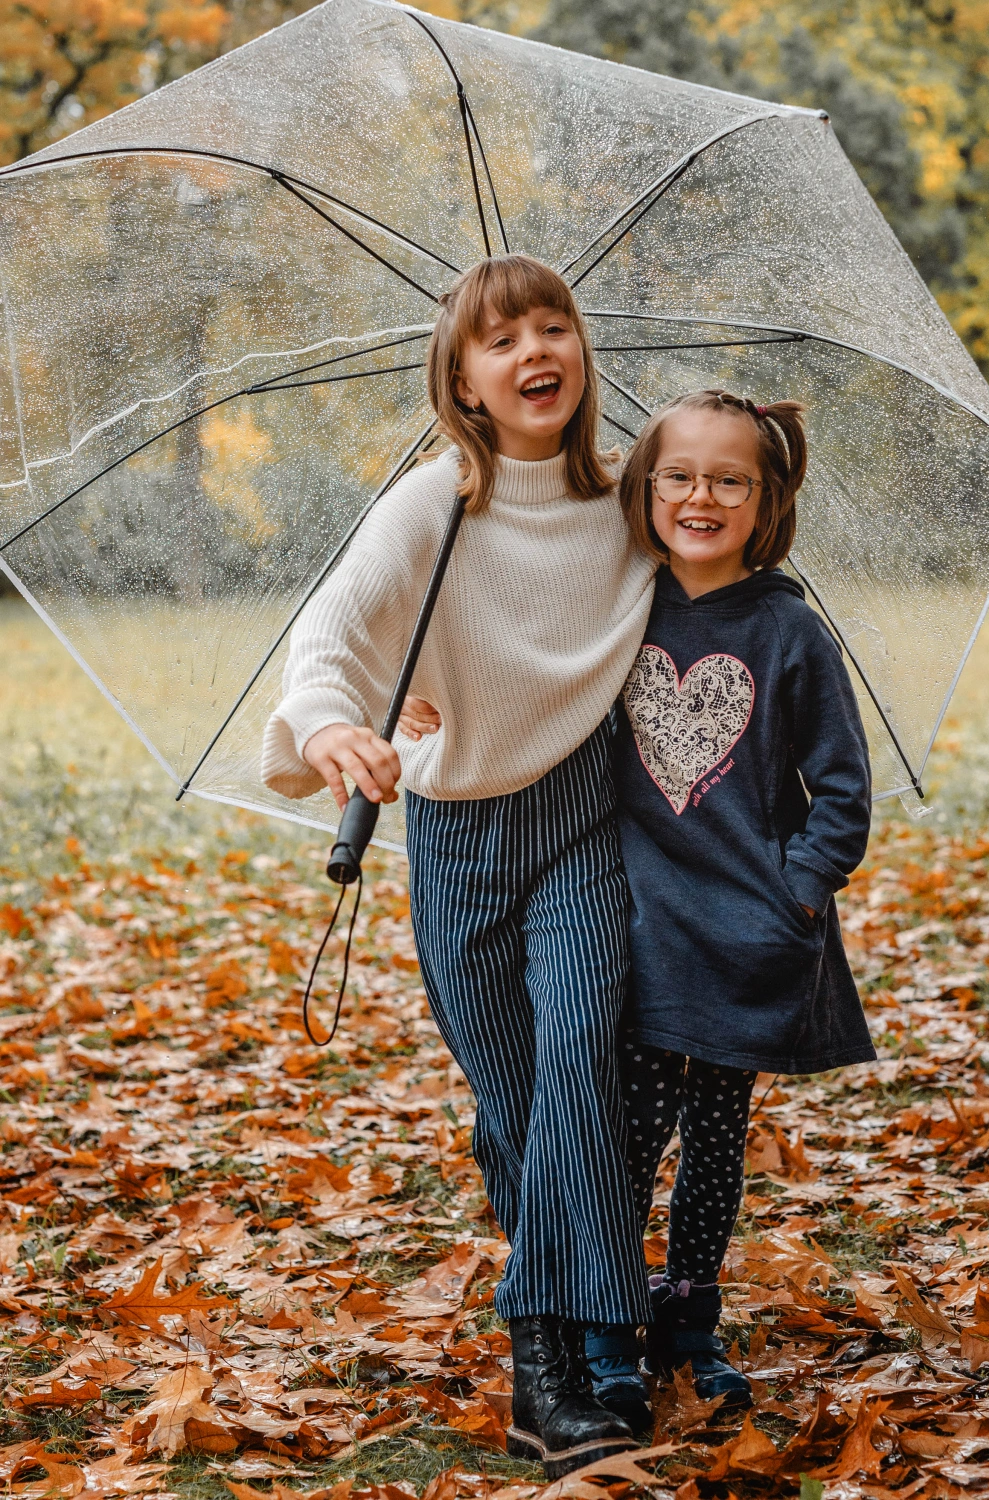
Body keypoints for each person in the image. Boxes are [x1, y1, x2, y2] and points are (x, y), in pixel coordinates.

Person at [261, 254, 658, 1476]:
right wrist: (333, 725)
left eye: (555, 327)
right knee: (521, 1103)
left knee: (584, 1064)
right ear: (466, 381)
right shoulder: (436, 504)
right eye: (502, 341)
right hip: (461, 841)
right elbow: (329, 630)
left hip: (587, 824)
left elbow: (717, 576)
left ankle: (548, 1369)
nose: (535, 351)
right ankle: (598, 1323)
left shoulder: (632, 502)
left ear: (581, 353)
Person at [608, 388, 875, 1408]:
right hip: (640, 928)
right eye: (678, 475)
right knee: (630, 1133)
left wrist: (796, 897)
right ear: (645, 488)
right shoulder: (617, 609)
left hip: (747, 937)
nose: (700, 496)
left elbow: (841, 791)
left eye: (729, 480)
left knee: (715, 1140)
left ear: (766, 503)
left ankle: (691, 1311)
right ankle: (612, 1307)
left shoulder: (789, 632)